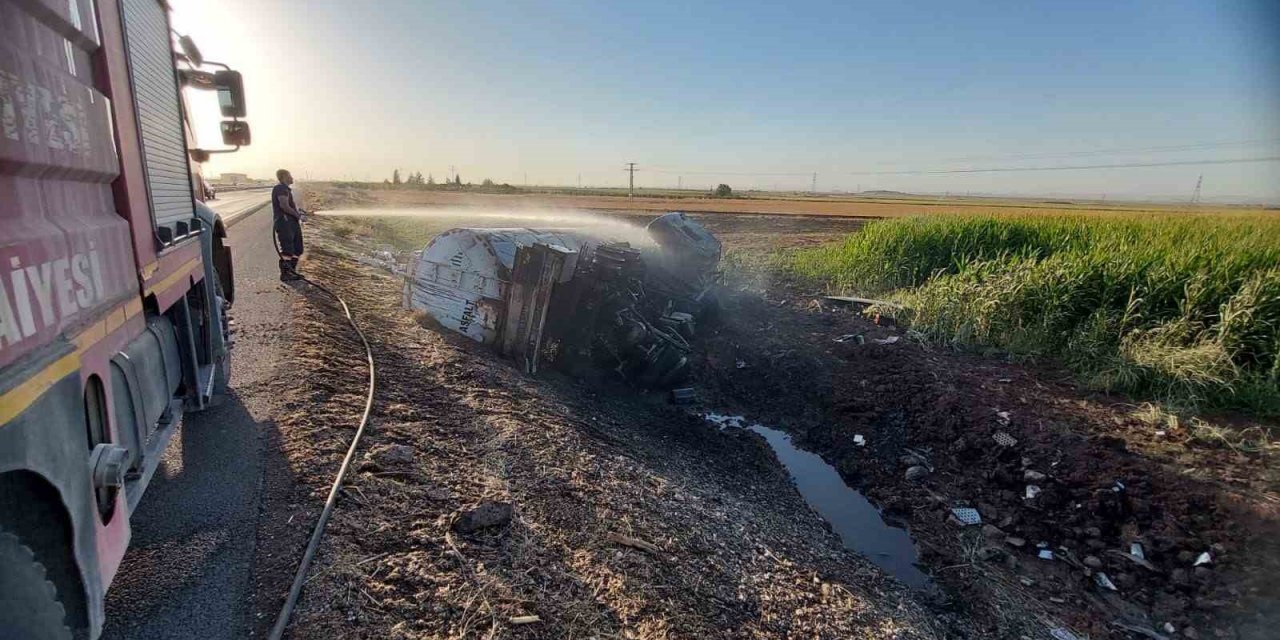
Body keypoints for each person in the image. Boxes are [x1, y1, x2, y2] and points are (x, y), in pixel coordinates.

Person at [272, 169, 304, 280]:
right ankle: (285, 274)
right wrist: (296, 214)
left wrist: (298, 212)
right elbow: (284, 206)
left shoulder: (286, 190)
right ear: (285, 176)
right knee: (287, 249)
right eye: (290, 175)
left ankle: (292, 271)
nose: (292, 178)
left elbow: (289, 205)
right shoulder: (281, 188)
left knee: (298, 249)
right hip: (284, 222)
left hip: (291, 223)